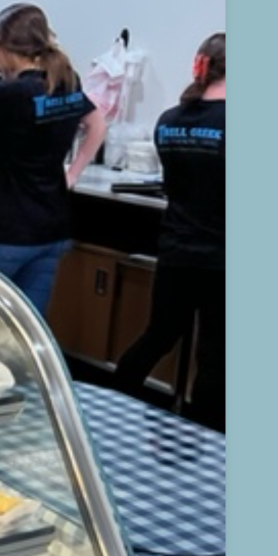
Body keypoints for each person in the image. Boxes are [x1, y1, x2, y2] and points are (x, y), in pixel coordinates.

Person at [0, 2, 107, 316]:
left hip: (4, 232)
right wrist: (73, 173)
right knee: (26, 328)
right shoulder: (66, 80)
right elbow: (96, 123)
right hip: (51, 229)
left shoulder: (6, 94)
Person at [114, 33, 225, 433]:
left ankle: (114, 401)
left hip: (177, 249)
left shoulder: (170, 122)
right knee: (215, 355)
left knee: (158, 336)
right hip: (221, 258)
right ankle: (210, 435)